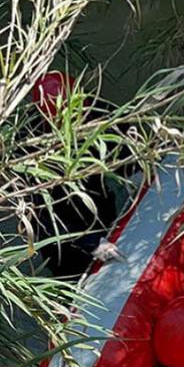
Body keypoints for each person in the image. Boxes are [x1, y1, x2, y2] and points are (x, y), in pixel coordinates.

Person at [29, 71, 119, 277]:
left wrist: (138, 172)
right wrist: (92, 243)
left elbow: (122, 140)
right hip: (64, 242)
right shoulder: (31, 151)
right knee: (73, 273)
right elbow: (43, 216)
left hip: (99, 205)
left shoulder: (94, 112)